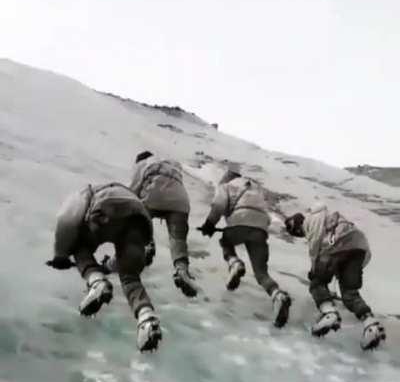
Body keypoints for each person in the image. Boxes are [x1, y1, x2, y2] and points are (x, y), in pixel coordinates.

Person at [46, 182, 162, 352]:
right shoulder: (128, 195)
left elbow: (66, 219)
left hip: (104, 213)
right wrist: (107, 267)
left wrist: (60, 255)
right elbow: (123, 262)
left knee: (79, 249)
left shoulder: (86, 193)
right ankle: (146, 319)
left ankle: (97, 283)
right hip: (140, 222)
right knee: (130, 277)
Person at [284, 203, 386, 350]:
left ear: (298, 226)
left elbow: (316, 250)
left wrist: (314, 272)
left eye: (297, 232)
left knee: (317, 284)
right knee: (349, 293)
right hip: (358, 247)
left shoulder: (312, 221)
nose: (300, 234)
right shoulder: (328, 216)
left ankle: (329, 314)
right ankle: (371, 324)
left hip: (336, 246)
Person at [199, 170, 291, 328]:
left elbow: (219, 205)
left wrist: (209, 225)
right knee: (261, 273)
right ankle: (277, 295)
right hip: (261, 228)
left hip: (239, 222)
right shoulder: (255, 190)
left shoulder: (227, 186)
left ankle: (234, 263)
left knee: (226, 242)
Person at [129, 151, 197, 297]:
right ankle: (182, 270)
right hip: (180, 201)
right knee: (178, 239)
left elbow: (133, 190)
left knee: (140, 218)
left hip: (153, 195)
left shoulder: (142, 164)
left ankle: (147, 245)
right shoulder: (171, 163)